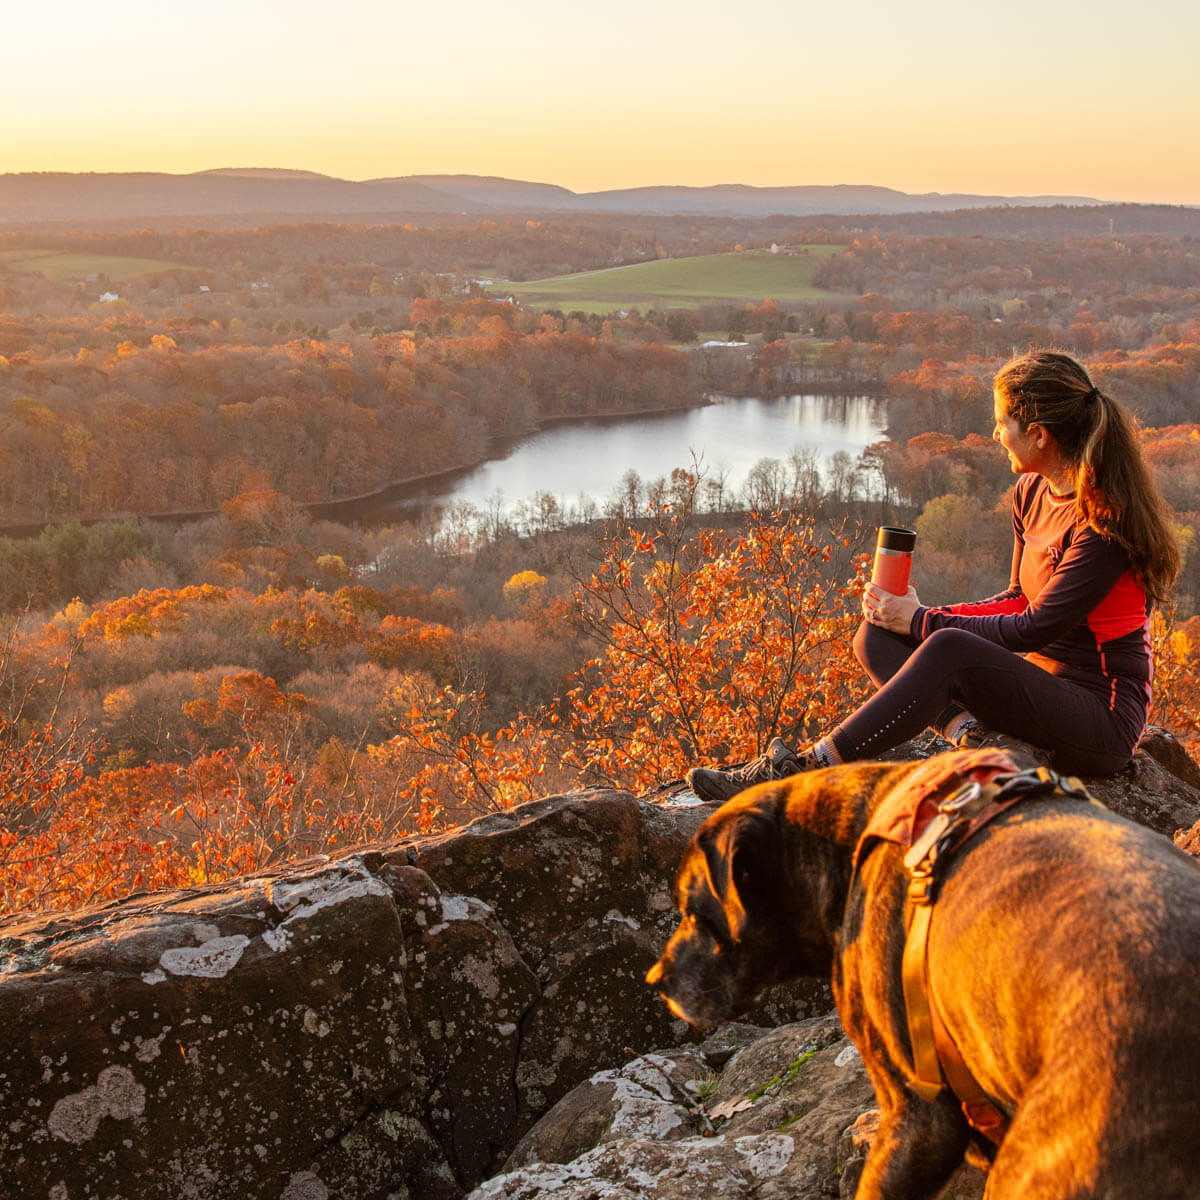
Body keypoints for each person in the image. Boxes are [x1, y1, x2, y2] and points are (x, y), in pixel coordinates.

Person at [687, 350, 1181, 804]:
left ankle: (808, 769)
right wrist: (909, 618)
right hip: (1041, 692)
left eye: (1001, 423)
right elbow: (1014, 598)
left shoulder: (1102, 524)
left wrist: (925, 621)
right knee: (876, 636)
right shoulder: (1031, 492)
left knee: (942, 645)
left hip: (1101, 719)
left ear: (1039, 434)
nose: (994, 435)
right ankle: (969, 733)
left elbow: (1033, 628)